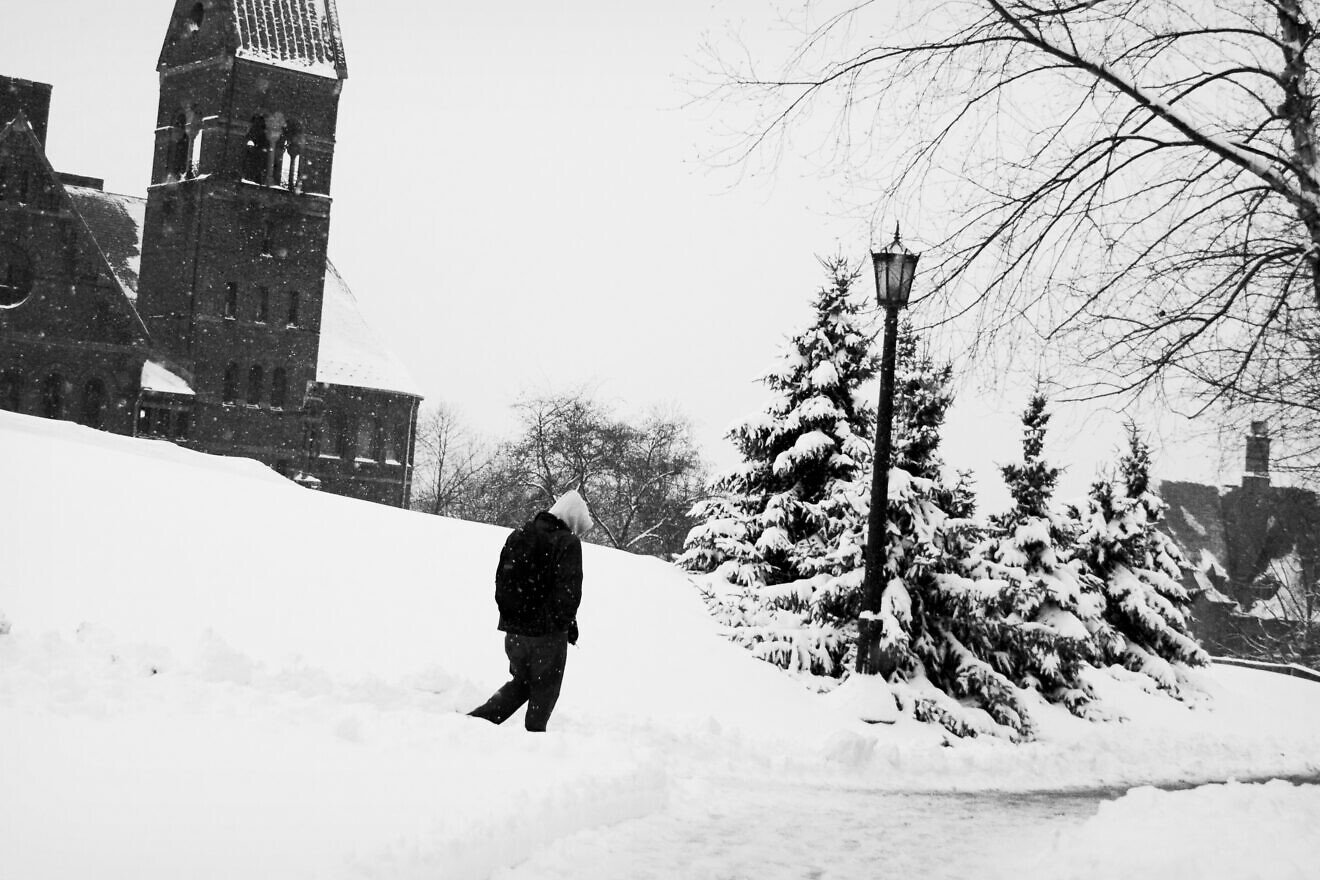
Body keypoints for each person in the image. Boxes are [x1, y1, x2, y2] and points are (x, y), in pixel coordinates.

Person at [468, 490, 592, 732]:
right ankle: (534, 744)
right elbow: (569, 593)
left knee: (522, 683)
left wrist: (514, 617)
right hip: (546, 635)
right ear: (572, 520)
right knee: (545, 691)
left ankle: (473, 724)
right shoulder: (568, 543)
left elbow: (500, 579)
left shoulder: (519, 535)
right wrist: (563, 624)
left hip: (514, 631)